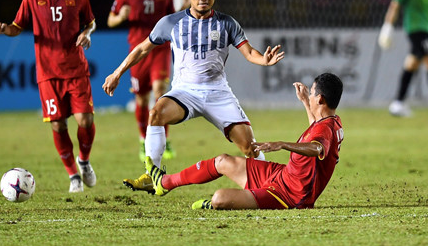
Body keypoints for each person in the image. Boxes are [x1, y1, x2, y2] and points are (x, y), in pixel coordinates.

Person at [102, 0, 285, 194]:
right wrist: (117, 73)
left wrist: (264, 61)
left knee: (248, 146)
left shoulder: (227, 23)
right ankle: (153, 176)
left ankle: (271, 185)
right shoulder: (171, 23)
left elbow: (249, 52)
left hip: (218, 93)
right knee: (156, 113)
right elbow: (142, 49)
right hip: (185, 92)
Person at [145, 73, 344, 210]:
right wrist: (303, 101)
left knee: (219, 198)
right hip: (282, 175)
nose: (309, 95)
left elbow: (317, 147)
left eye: (311, 93)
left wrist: (281, 144)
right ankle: (165, 182)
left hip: (291, 195)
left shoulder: (325, 130)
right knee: (223, 161)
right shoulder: (329, 122)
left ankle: (215, 205)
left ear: (320, 99)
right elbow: (315, 130)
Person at [0, 0, 97, 193]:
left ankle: (84, 160)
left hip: (76, 70)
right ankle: (73, 175)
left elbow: (91, 22)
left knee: (85, 119)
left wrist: (86, 33)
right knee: (59, 125)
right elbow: (17, 26)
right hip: (48, 74)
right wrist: (4, 28)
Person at [107, 0, 176, 162]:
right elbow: (110, 20)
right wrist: (120, 17)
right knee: (142, 98)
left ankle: (164, 140)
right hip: (138, 52)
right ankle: (142, 138)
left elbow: (172, 20)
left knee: (160, 92)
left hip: (159, 50)